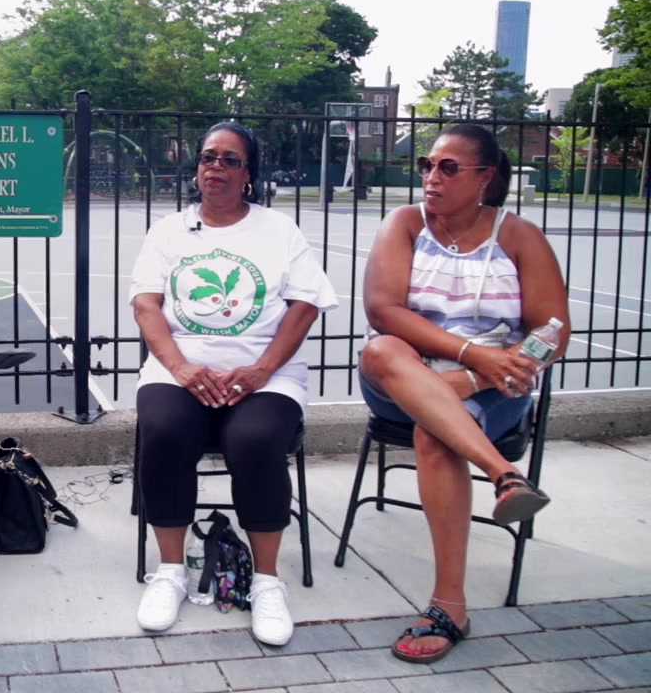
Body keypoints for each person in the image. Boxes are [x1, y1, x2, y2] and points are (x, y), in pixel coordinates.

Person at [360, 123, 569, 664]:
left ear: (485, 178)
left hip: (497, 385)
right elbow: (383, 311)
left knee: (437, 435)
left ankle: (449, 606)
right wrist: (473, 357)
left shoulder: (519, 236)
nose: (432, 176)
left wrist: (490, 372)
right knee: (381, 350)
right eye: (427, 165)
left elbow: (553, 331)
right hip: (404, 374)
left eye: (448, 168)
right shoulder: (406, 224)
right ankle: (504, 474)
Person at [129, 122, 337, 645]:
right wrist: (181, 368)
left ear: (249, 174)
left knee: (255, 439)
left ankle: (266, 582)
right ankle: (170, 572)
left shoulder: (279, 230)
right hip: (180, 370)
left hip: (266, 375)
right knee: (165, 430)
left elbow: (305, 305)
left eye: (229, 159)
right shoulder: (168, 231)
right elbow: (146, 304)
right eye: (208, 157)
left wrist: (261, 370)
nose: (215, 167)